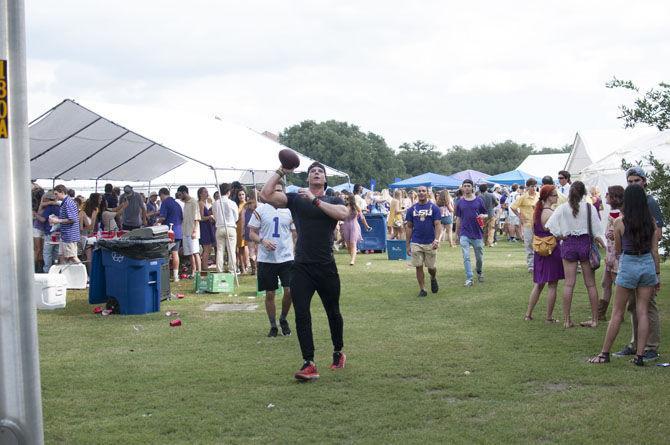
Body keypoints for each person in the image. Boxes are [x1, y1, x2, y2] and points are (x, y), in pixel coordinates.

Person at [260, 161, 349, 382]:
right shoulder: (297, 199)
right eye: (312, 172)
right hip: (301, 266)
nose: (316, 173)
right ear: (307, 178)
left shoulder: (333, 199)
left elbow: (343, 214)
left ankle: (338, 351)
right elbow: (265, 195)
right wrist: (281, 171)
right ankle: (309, 362)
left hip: (326, 265)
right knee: (301, 313)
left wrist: (316, 200)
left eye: (320, 172)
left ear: (325, 180)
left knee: (333, 312)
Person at [588, 184, 661, 366]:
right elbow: (654, 250)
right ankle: (640, 356)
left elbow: (619, 249)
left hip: (629, 263)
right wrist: (657, 274)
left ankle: (604, 354)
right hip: (647, 264)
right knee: (643, 311)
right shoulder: (651, 222)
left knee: (617, 312)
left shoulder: (620, 222)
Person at [614, 166, 664, 361]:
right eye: (630, 181)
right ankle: (636, 344)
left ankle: (650, 346)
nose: (634, 183)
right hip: (633, 261)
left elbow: (656, 235)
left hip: (643, 260)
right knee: (634, 306)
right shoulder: (632, 203)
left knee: (648, 306)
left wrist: (655, 269)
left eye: (637, 180)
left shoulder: (650, 203)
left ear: (645, 181)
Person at [545, 181, 605, 328]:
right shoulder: (589, 208)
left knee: (569, 284)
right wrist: (605, 246)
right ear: (584, 193)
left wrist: (560, 235)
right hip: (586, 244)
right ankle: (595, 320)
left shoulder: (563, 208)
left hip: (569, 244)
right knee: (590, 284)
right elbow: (598, 231)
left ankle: (566, 320)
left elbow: (549, 225)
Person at [248, 182, 297, 338]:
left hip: (286, 258)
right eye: (274, 191)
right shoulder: (260, 210)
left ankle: (283, 318)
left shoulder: (289, 211)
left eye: (280, 191)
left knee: (289, 291)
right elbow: (252, 233)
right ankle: (273, 325)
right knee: (270, 293)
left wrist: (295, 248)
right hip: (267, 259)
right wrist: (262, 241)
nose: (277, 194)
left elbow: (295, 233)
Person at [523, 185, 564, 322]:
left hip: (539, 251)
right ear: (547, 197)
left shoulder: (538, 211)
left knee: (539, 284)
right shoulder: (551, 213)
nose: (557, 197)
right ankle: (549, 318)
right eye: (554, 195)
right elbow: (557, 234)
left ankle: (528, 314)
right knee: (552, 285)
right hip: (551, 251)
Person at [405, 186, 442, 297]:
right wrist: (407, 244)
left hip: (430, 242)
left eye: (423, 191)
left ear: (427, 193)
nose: (421, 193)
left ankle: (433, 277)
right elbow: (409, 227)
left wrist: (436, 240)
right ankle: (423, 289)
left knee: (431, 267)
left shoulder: (434, 208)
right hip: (416, 241)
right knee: (418, 266)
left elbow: (438, 225)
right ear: (417, 193)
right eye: (419, 191)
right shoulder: (411, 209)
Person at [598, 185, 624, 321]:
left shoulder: (619, 214)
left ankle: (618, 315)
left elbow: (614, 234)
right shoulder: (613, 212)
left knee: (618, 285)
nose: (605, 195)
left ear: (614, 196)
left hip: (617, 255)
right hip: (610, 255)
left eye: (608, 193)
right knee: (605, 283)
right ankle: (601, 313)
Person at [454, 179, 487, 287]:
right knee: (466, 256)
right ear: (462, 188)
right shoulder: (459, 203)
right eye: (465, 186)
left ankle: (479, 271)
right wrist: (456, 234)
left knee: (479, 258)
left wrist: (483, 216)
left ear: (472, 187)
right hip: (464, 233)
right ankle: (469, 278)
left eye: (469, 186)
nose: (467, 188)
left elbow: (486, 214)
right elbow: (458, 219)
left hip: (477, 233)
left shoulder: (479, 200)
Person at [510, 178, 539, 272]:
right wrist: (519, 216)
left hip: (538, 223)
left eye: (535, 186)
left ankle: (539, 263)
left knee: (539, 243)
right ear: (527, 187)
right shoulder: (522, 197)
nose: (534, 188)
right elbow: (513, 207)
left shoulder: (538, 196)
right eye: (532, 186)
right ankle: (531, 265)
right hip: (527, 224)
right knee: (529, 244)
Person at [157, 188, 183, 282]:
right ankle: (176, 276)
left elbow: (162, 217)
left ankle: (165, 274)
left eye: (160, 197)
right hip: (178, 231)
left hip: (169, 232)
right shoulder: (176, 203)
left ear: (162, 195)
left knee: (165, 253)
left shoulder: (165, 202)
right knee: (175, 253)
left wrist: (155, 224)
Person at [212, 183, 238, 274]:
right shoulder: (232, 203)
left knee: (219, 250)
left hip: (219, 227)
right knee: (231, 250)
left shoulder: (215, 203)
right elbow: (236, 217)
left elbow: (215, 216)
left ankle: (219, 270)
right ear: (228, 192)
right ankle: (232, 270)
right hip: (230, 227)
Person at [50, 185, 81, 264]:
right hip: (66, 235)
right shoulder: (67, 202)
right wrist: (57, 219)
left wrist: (58, 220)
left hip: (69, 235)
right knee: (63, 257)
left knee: (72, 257)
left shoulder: (68, 203)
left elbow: (72, 219)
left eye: (56, 194)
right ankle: (65, 275)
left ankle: (83, 273)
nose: (55, 196)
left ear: (62, 192)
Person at [340, 191, 371, 266]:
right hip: (345, 226)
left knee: (353, 243)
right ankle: (352, 258)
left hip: (354, 226)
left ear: (351, 199)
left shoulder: (356, 207)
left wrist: (366, 226)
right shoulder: (344, 206)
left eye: (347, 198)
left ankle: (352, 260)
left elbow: (362, 217)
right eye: (345, 198)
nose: (346, 199)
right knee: (348, 245)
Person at [178, 185, 201, 278]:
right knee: (189, 253)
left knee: (195, 253)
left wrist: (195, 231)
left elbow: (197, 217)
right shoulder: (184, 203)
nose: (179, 196)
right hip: (185, 231)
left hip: (192, 231)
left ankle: (199, 272)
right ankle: (193, 271)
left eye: (180, 194)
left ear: (184, 193)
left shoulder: (193, 202)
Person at [197, 187, 216, 271]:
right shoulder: (200, 203)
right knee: (206, 248)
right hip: (204, 227)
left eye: (207, 192)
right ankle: (204, 266)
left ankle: (204, 265)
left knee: (208, 248)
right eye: (205, 192)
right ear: (200, 194)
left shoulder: (205, 203)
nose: (207, 193)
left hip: (207, 226)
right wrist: (209, 216)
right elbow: (201, 217)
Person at [234, 188, 249, 274]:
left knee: (249, 247)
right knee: (240, 248)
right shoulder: (236, 205)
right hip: (239, 228)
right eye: (239, 195)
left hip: (248, 228)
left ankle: (248, 265)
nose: (241, 196)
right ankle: (242, 267)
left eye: (243, 194)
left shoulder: (248, 204)